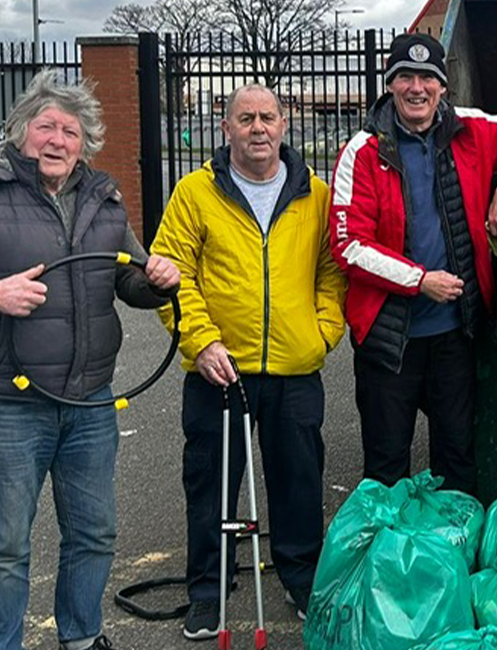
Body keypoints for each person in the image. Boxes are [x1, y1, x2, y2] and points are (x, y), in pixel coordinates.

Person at [0, 70, 179, 650]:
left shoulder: (103, 198)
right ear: (21, 131)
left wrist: (157, 280)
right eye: (47, 126)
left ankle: (82, 636)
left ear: (85, 143)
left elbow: (127, 277)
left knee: (95, 533)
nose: (58, 140)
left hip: (91, 402)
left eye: (71, 132)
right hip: (8, 405)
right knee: (4, 547)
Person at [150, 83, 347, 640]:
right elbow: (172, 274)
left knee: (300, 482)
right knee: (210, 485)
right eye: (246, 119)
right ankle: (208, 592)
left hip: (295, 368)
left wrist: (322, 333)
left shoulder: (315, 194)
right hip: (218, 371)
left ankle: (301, 579)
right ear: (226, 128)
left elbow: (333, 271)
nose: (258, 128)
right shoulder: (195, 193)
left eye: (267, 117)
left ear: (284, 125)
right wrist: (201, 342)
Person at [330, 33, 497, 496]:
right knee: (386, 468)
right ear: (390, 85)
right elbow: (348, 245)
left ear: (443, 87)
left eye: (427, 78)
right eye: (405, 77)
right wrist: (419, 280)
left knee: (456, 460)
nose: (417, 88)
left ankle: (452, 541)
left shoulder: (472, 127)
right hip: (389, 339)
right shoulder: (362, 151)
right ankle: (390, 544)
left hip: (455, 334)